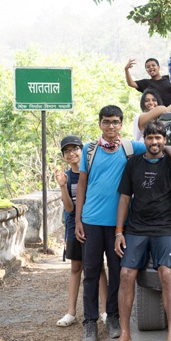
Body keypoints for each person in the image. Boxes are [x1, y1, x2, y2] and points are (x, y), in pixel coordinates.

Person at [75, 105, 171, 341]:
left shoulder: (131, 149)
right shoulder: (92, 150)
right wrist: (79, 219)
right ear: (100, 124)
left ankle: (118, 320)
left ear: (122, 125)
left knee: (127, 274)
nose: (111, 126)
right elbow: (85, 186)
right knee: (95, 273)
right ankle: (92, 324)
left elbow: (162, 147)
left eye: (115, 122)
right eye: (107, 122)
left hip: (139, 226)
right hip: (101, 222)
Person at [102, 120, 171, 341]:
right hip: (136, 228)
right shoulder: (133, 164)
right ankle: (125, 336)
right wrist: (119, 231)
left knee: (167, 274)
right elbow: (124, 199)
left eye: (159, 138)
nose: (154, 142)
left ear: (164, 140)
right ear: (145, 140)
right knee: (126, 274)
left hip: (164, 228)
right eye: (150, 138)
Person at [54, 135, 108, 328]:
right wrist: (62, 186)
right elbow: (69, 208)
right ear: (63, 156)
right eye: (67, 151)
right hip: (73, 226)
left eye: (75, 149)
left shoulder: (91, 172)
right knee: (76, 267)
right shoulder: (67, 177)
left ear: (83, 150)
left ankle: (104, 311)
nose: (72, 154)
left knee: (98, 267)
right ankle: (71, 312)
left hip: (93, 223)